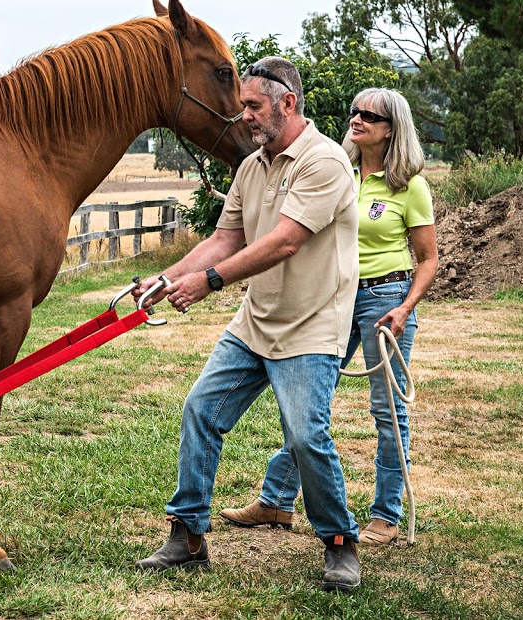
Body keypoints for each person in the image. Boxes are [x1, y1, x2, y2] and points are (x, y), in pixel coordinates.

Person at [133, 57, 362, 592]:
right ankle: (188, 536)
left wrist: (208, 282)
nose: (246, 119)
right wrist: (164, 280)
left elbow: (284, 241)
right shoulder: (252, 166)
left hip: (311, 327)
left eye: (254, 107)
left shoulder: (323, 162)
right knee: (200, 412)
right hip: (255, 323)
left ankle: (338, 543)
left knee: (306, 438)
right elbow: (224, 239)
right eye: (243, 108)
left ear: (288, 103)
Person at [220, 88, 438, 546]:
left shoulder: (409, 186)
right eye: (354, 111)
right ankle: (278, 500)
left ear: (391, 128)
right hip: (333, 295)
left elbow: (428, 258)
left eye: (369, 115)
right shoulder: (336, 170)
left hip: (385, 297)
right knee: (307, 400)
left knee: (387, 411)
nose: (356, 119)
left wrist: (404, 308)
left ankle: (386, 514)